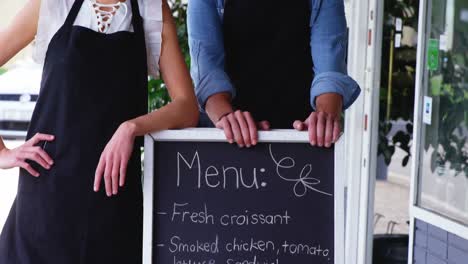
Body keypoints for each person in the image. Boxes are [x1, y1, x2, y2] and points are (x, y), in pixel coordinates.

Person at [0, 0, 198, 263]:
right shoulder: (52, 4)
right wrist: (2, 153)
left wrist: (132, 127)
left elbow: (187, 108)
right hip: (45, 201)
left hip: (114, 201)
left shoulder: (150, 8)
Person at [188, 0, 361, 148]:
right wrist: (226, 118)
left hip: (301, 133)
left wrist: (325, 118)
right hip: (228, 135)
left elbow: (329, 65)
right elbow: (207, 68)